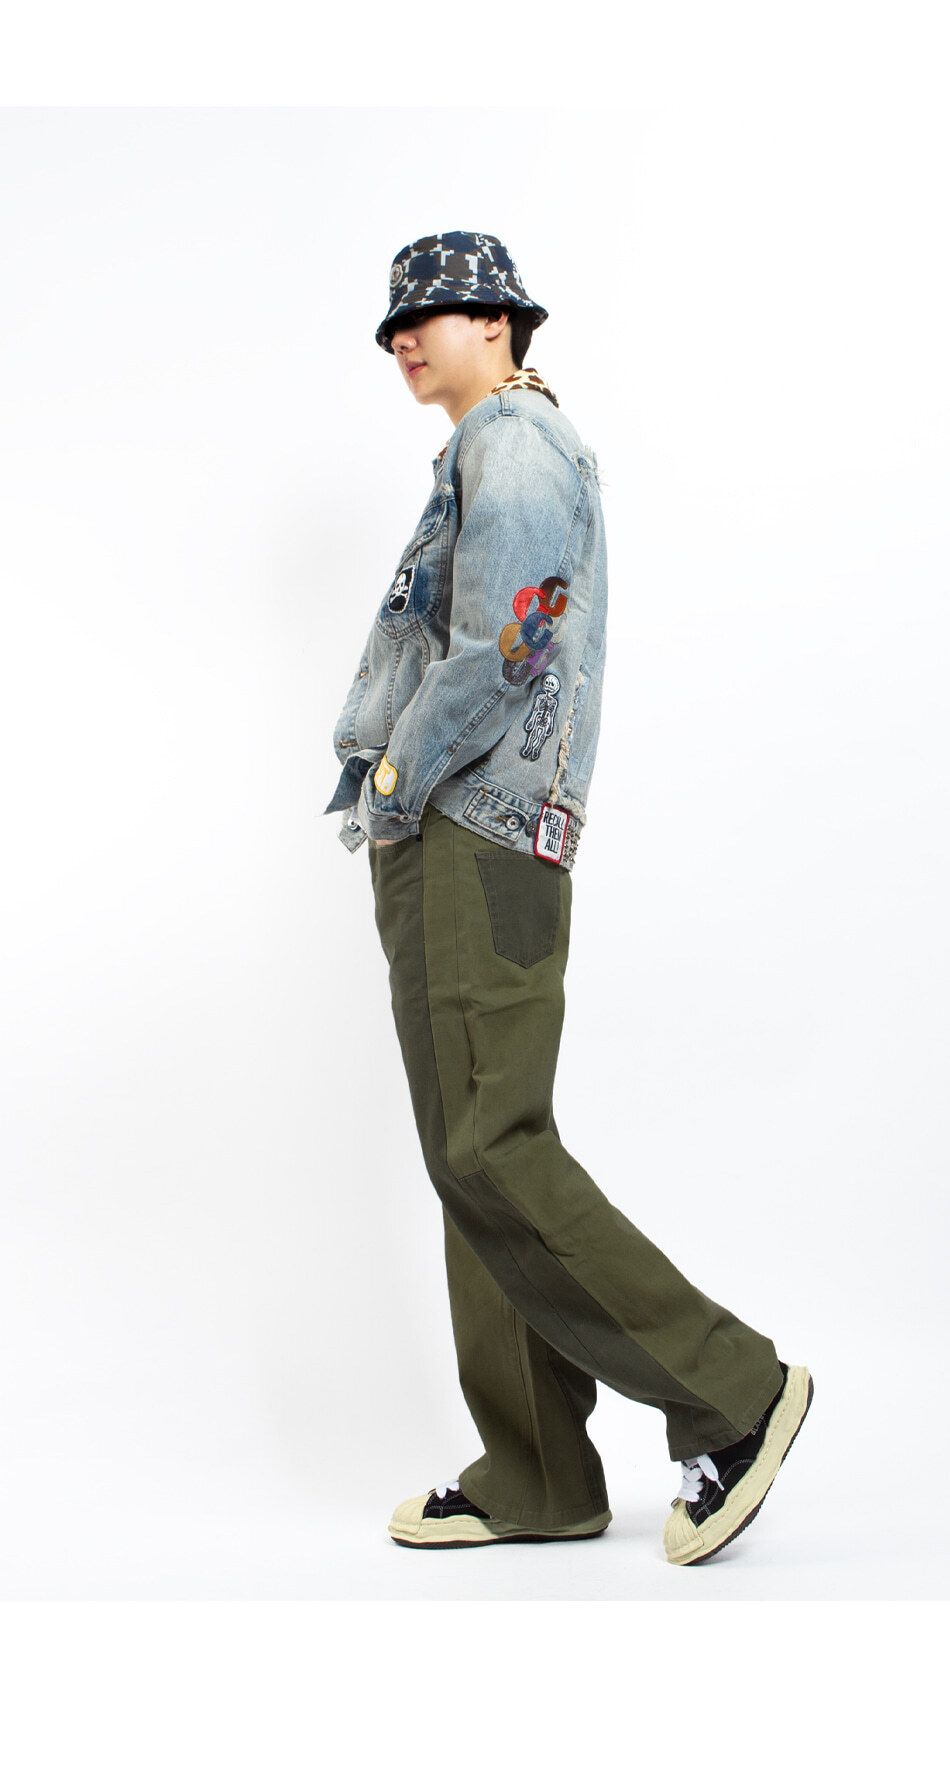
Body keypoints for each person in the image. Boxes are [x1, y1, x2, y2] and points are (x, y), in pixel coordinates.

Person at [323, 230, 813, 1564]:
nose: (404, 338)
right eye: (393, 324)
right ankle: (538, 1471)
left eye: (431, 313)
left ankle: (735, 1390)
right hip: (453, 829)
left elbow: (511, 639)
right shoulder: (482, 447)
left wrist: (398, 776)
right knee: (469, 1158)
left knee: (492, 1146)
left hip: (470, 825)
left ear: (499, 321)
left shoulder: (516, 443)